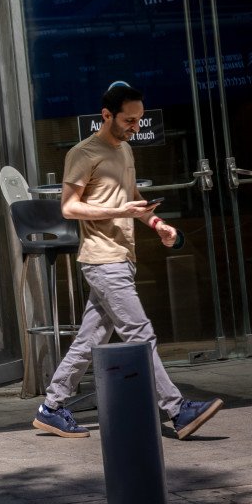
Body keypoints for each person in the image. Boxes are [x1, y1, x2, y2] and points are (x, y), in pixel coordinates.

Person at [32, 83, 223, 440]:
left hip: (122, 256)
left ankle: (51, 408)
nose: (136, 126)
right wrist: (120, 211)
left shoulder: (125, 150)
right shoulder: (83, 153)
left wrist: (157, 224)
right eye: (129, 120)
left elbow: (132, 198)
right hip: (102, 260)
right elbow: (69, 208)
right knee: (140, 333)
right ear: (107, 115)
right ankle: (177, 410)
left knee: (89, 339)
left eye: (139, 119)